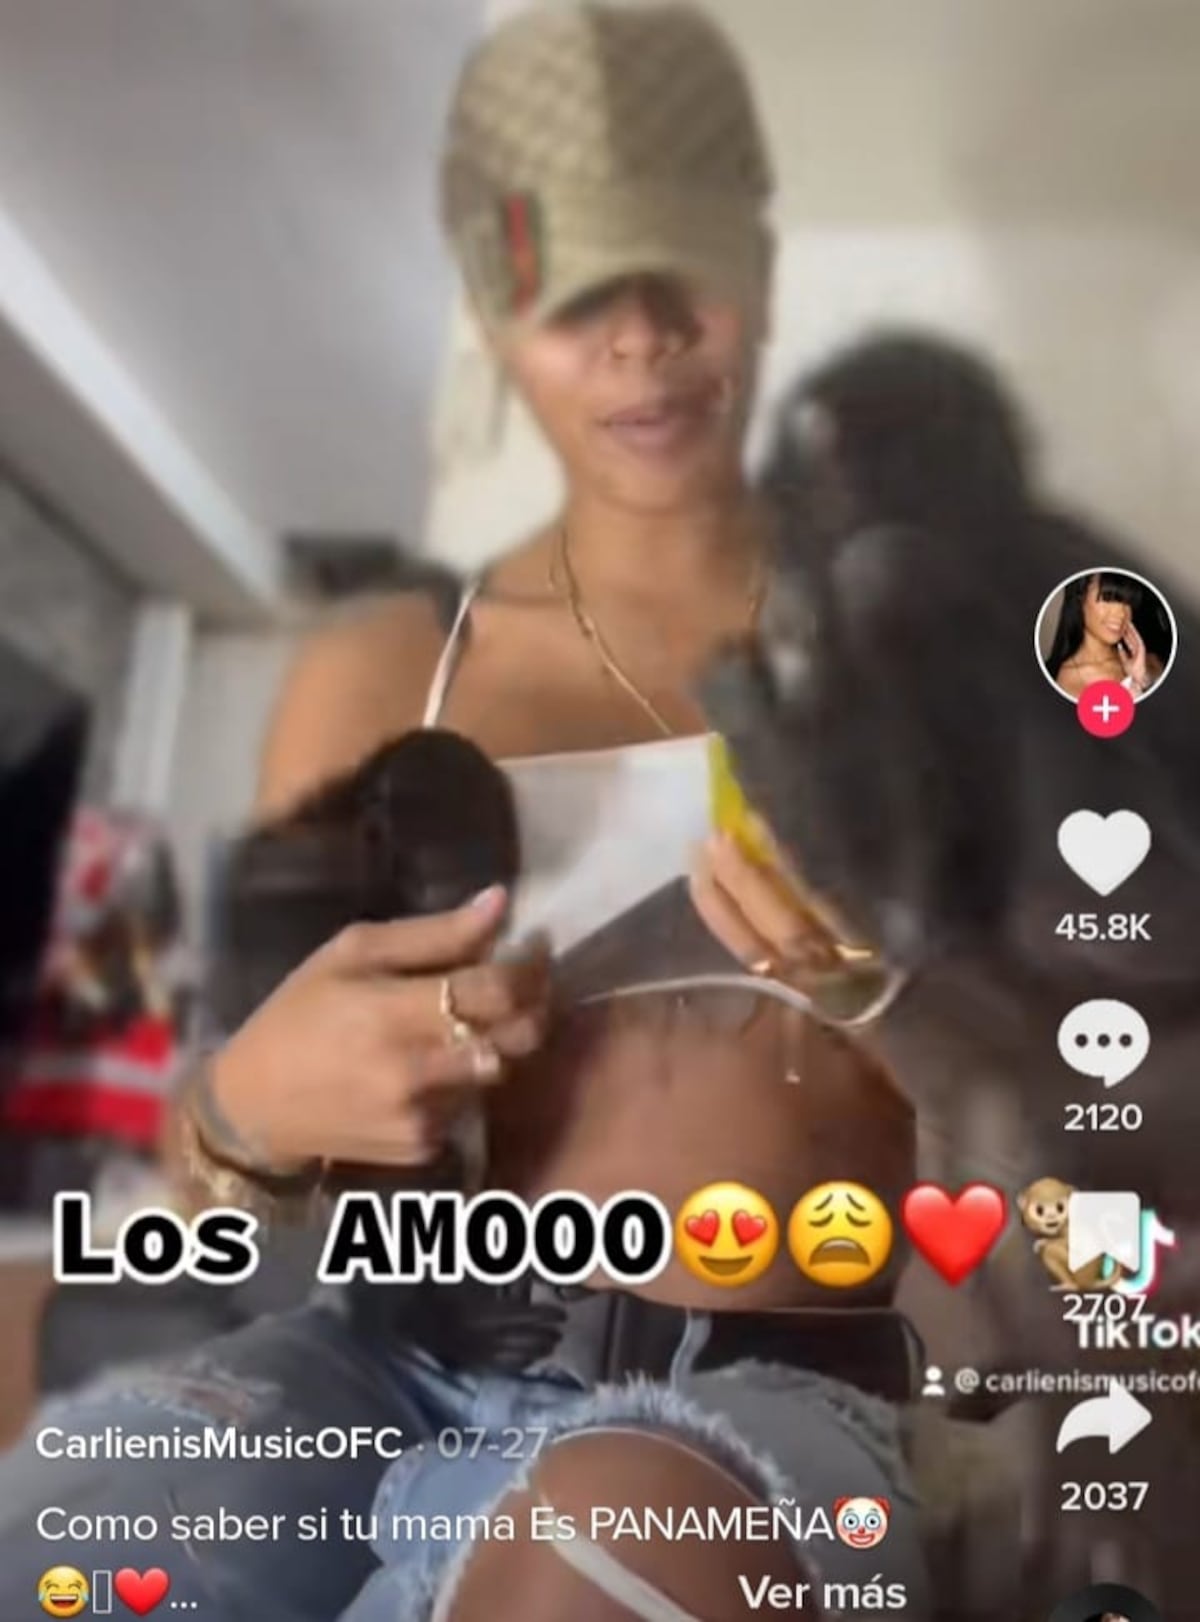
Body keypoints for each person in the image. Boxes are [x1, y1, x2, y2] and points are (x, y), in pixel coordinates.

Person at [0, 9, 930, 1621]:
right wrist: (251, 1114)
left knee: (602, 1550)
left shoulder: (923, 662)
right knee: (70, 1532)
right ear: (498, 322)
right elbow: (215, 1189)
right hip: (371, 1356)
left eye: (678, 268)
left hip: (760, 1387)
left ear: (762, 270)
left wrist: (914, 999)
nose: (638, 338)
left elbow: (1100, 1138)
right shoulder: (381, 674)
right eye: (573, 293)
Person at [1045, 572, 1165, 699]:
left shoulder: (1148, 664)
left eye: (1129, 602)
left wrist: (1142, 679)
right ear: (1080, 598)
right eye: (1108, 598)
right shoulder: (1061, 679)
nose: (1121, 614)